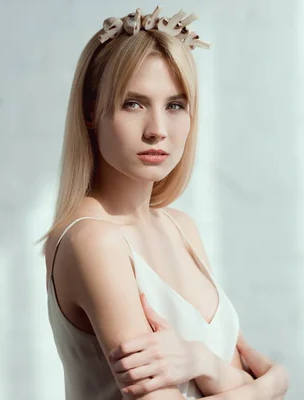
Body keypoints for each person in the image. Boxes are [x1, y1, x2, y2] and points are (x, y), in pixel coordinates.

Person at [38, 6, 289, 399]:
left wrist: (200, 361)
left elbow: (233, 365)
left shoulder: (179, 228)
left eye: (174, 105)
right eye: (133, 103)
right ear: (91, 112)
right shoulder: (93, 242)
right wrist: (272, 386)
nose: (157, 130)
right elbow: (250, 378)